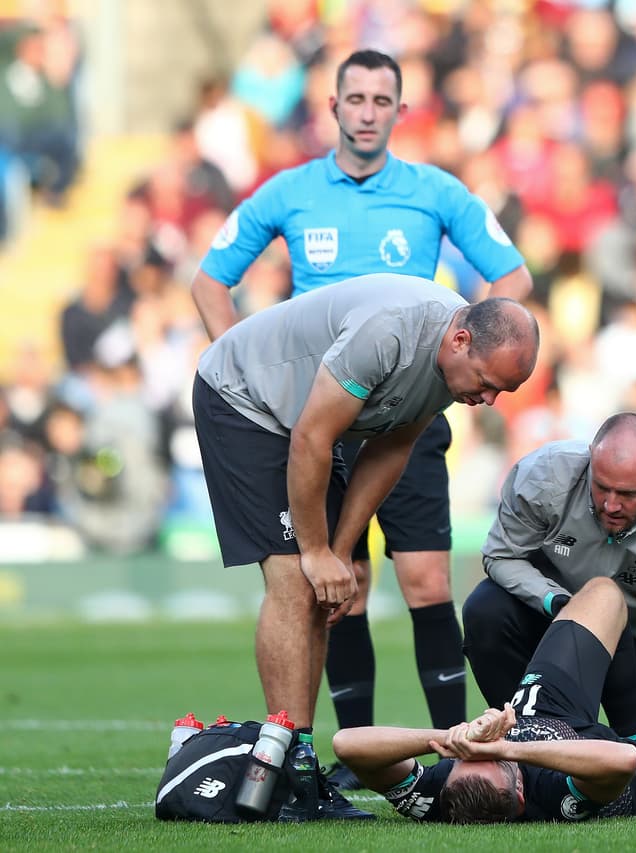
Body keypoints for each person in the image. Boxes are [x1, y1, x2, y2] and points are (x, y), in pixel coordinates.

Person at [191, 48, 534, 789]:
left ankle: (428, 752)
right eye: (357, 98)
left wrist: (338, 549)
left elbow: (513, 280)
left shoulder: (437, 203)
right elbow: (214, 286)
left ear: (400, 111)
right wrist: (253, 369)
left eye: (383, 100)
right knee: (301, 578)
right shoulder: (290, 192)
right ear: (335, 106)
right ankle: (309, 761)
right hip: (295, 406)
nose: (369, 112)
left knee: (401, 579)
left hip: (388, 398)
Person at [192, 273, 539, 820]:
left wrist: (342, 552)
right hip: (244, 401)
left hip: (303, 425)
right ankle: (290, 773)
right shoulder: (389, 333)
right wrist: (315, 552)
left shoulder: (450, 366)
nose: (488, 400)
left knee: (321, 587)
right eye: (487, 383)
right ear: (461, 341)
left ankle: (299, 767)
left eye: (502, 392)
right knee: (294, 580)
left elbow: (390, 450)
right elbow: (311, 436)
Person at [333, 577, 636, 823]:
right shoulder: (557, 797)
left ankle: (633, 716)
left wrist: (450, 739)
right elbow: (620, 761)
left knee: (603, 594)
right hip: (616, 769)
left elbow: (347, 744)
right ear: (520, 794)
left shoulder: (436, 797)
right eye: (494, 762)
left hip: (547, 710)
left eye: (469, 761)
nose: (482, 754)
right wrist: (506, 748)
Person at [461, 412, 636, 750]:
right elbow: (501, 556)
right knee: (486, 611)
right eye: (602, 487)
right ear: (590, 459)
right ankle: (526, 738)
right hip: (555, 618)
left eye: (628, 494)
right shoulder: (544, 475)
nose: (611, 505)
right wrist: (559, 603)